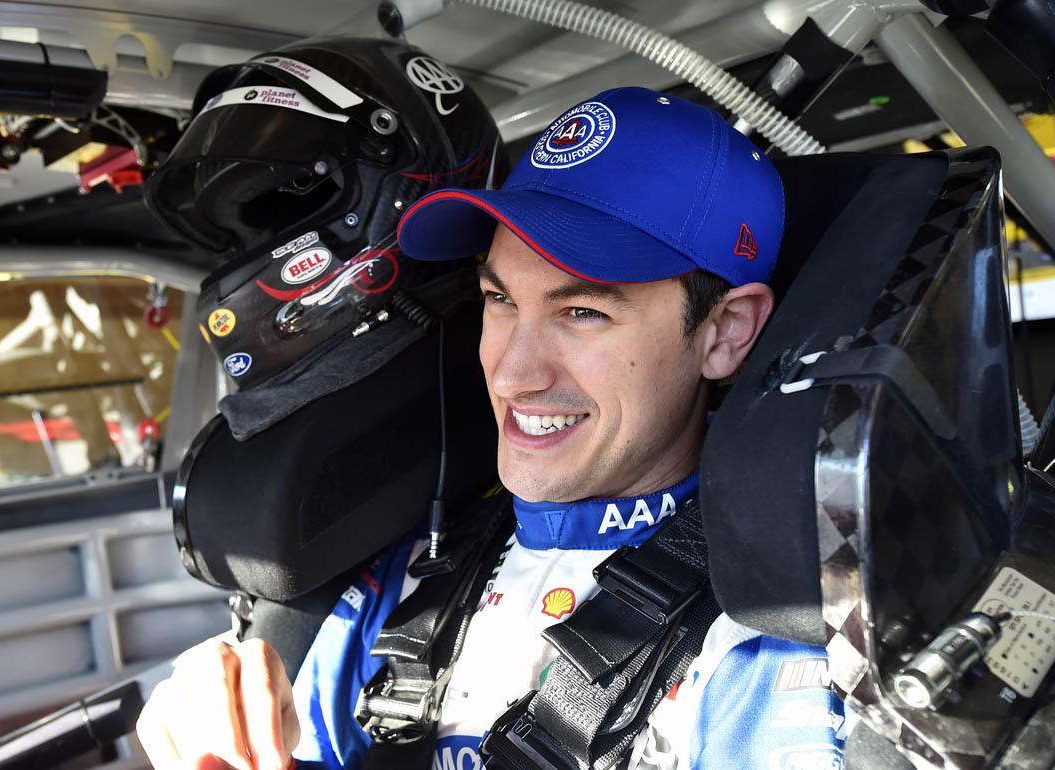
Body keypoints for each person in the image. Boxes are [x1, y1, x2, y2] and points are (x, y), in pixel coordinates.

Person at [138, 87, 850, 770]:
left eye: (582, 313)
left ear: (725, 333)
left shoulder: (767, 641)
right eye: (499, 299)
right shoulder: (407, 575)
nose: (511, 374)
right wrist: (218, 729)